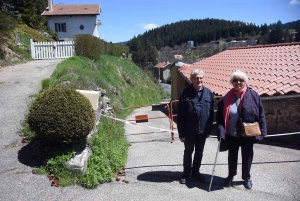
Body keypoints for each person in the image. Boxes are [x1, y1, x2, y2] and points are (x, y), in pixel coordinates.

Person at [216, 70, 267, 190]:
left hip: (248, 133)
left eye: (241, 80)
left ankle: (246, 177)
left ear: (245, 82)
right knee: (232, 156)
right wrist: (220, 130)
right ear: (231, 82)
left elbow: (261, 114)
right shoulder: (226, 98)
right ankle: (231, 175)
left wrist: (263, 131)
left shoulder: (253, 95)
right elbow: (219, 117)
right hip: (231, 133)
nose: (238, 82)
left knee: (247, 155)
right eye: (235, 80)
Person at [177, 68, 214, 184]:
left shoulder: (209, 93)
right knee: (188, 152)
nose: (199, 80)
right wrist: (181, 133)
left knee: (199, 152)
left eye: (201, 78)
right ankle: (186, 173)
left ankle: (196, 172)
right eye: (196, 78)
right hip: (189, 130)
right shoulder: (184, 93)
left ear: (203, 78)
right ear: (191, 79)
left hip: (203, 130)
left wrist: (209, 130)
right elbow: (180, 114)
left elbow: (211, 113)